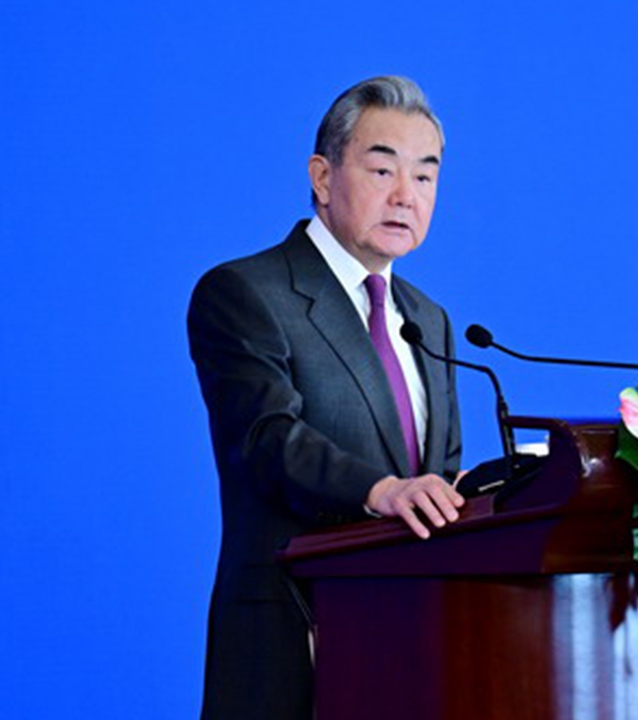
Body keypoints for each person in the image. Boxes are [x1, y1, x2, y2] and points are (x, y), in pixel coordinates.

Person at [187, 76, 466, 720]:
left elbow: (439, 480)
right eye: (382, 169)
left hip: (412, 649)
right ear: (322, 176)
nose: (406, 196)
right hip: (290, 642)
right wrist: (382, 489)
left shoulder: (430, 319)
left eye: (425, 178)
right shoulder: (246, 293)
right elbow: (265, 439)